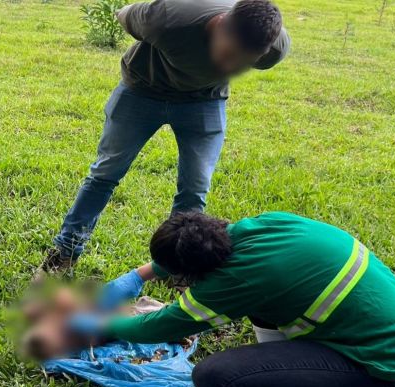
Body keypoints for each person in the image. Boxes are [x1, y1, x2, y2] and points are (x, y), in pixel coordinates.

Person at [73, 212, 395, 387]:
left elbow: (164, 324)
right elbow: (187, 262)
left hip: (380, 372)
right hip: (390, 340)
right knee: (266, 309)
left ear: (199, 272)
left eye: (179, 276)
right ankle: (286, 377)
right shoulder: (260, 228)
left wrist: (104, 324)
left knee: (215, 380)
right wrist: (139, 275)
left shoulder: (239, 280)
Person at [39, 0, 291, 275]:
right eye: (228, 53)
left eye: (243, 63)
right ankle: (65, 253)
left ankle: (177, 267)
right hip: (142, 90)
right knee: (105, 174)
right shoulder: (169, 18)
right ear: (219, 26)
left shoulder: (274, 50)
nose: (230, 66)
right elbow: (124, 15)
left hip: (204, 101)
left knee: (195, 188)